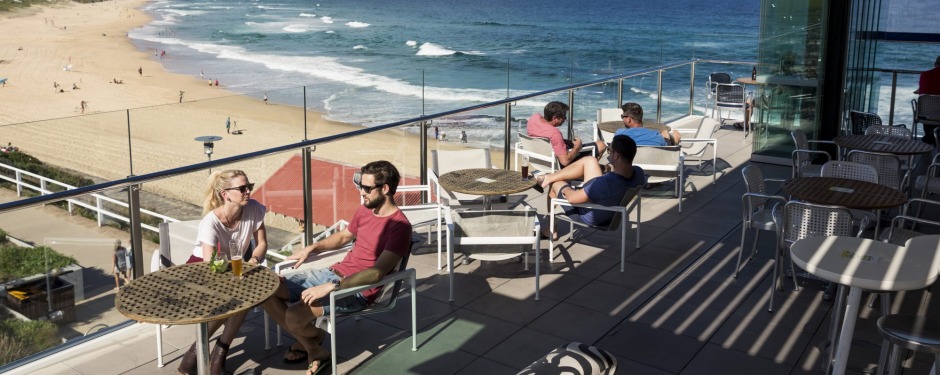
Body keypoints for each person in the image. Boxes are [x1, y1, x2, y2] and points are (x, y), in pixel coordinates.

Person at [262, 161, 412, 375]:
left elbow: (377, 272)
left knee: (295, 316)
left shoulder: (400, 227)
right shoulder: (365, 210)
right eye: (361, 186)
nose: (362, 192)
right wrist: (312, 248)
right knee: (267, 291)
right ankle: (312, 343)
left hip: (357, 290)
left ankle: (313, 348)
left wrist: (331, 286)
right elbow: (343, 237)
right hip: (332, 273)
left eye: (367, 188)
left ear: (385, 189)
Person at [176, 170, 269, 375]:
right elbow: (210, 261)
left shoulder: (253, 209)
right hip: (202, 270)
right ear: (225, 194)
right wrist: (236, 268)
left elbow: (262, 244)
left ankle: (207, 361)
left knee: (245, 299)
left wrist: (253, 260)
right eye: (242, 188)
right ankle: (202, 359)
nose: (248, 192)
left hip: (233, 268)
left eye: (249, 186)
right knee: (234, 303)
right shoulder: (210, 222)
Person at [540, 135, 644, 238]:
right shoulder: (639, 173)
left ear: (616, 155)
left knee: (556, 183)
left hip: (588, 214)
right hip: (607, 206)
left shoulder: (604, 183)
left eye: (610, 151)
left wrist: (566, 188)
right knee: (590, 160)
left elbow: (572, 198)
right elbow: (618, 174)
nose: (609, 154)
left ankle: (551, 230)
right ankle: (549, 177)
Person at [527, 101, 607, 168]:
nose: (565, 119)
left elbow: (545, 137)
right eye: (563, 117)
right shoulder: (554, 133)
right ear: (555, 118)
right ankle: (585, 172)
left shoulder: (534, 118)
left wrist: (564, 141)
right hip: (558, 164)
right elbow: (565, 161)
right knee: (601, 145)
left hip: (541, 160)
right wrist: (577, 148)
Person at [613, 102, 681, 146]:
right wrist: (675, 143)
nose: (622, 119)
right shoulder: (656, 136)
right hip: (652, 167)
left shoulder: (619, 134)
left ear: (628, 119)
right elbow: (668, 151)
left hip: (628, 167)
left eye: (622, 116)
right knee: (665, 134)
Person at [918, 56, 940, 145]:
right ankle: (934, 137)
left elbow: (921, 91)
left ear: (935, 65)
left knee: (929, 109)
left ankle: (929, 136)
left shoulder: (925, 75)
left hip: (924, 113)